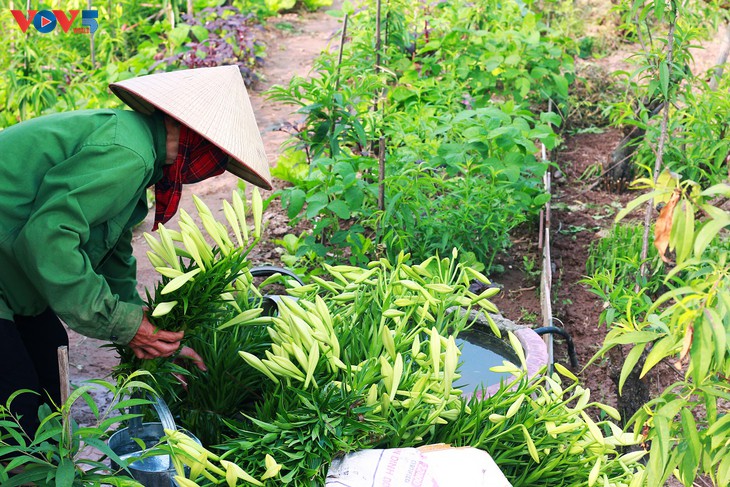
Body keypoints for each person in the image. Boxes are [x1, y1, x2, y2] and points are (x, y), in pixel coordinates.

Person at [0, 65, 272, 435]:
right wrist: (123, 325)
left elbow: (112, 250)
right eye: (218, 159)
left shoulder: (140, 151)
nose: (214, 170)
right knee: (18, 409)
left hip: (11, 268)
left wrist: (142, 327)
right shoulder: (129, 153)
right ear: (197, 139)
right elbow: (48, 237)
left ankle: (46, 461)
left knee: (50, 360)